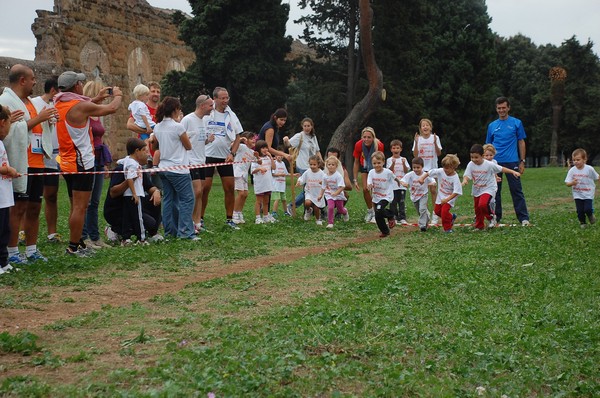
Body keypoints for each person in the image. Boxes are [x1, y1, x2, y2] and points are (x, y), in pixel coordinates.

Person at [55, 71, 121, 256]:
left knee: (75, 205)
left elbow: (83, 106)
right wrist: (118, 95)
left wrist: (97, 98)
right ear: (76, 85)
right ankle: (73, 247)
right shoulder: (78, 106)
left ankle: (78, 242)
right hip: (81, 162)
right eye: (80, 83)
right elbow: (112, 109)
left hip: (67, 161)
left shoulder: (60, 102)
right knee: (80, 206)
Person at [2, 65, 57, 265]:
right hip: (20, 163)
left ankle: (32, 250)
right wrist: (38, 119)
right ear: (22, 80)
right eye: (32, 78)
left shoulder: (30, 102)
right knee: (18, 208)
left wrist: (48, 121)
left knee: (35, 206)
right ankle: (12, 250)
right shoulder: (6, 101)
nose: (36, 82)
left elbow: (31, 125)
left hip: (37, 160)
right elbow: (8, 131)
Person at [153, 96, 196, 240]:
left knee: (169, 200)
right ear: (175, 110)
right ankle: (185, 232)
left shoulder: (157, 126)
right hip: (178, 168)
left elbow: (156, 145)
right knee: (187, 199)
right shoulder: (178, 127)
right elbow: (188, 145)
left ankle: (170, 231)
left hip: (164, 167)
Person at [202, 87, 243, 230]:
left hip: (225, 157)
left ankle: (229, 219)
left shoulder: (231, 115)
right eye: (222, 98)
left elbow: (238, 137)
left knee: (229, 188)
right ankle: (199, 219)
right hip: (207, 155)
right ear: (215, 99)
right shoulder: (207, 113)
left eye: (227, 98)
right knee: (204, 188)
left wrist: (232, 153)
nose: (225, 101)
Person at [485, 96, 530, 226]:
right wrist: (486, 163)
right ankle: (495, 217)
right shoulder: (492, 126)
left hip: (512, 162)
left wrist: (522, 161)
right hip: (495, 163)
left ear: (508, 108)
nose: (502, 110)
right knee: (494, 191)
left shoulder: (517, 123)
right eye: (499, 108)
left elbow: (521, 142)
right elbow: (488, 146)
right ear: (496, 109)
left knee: (516, 190)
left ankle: (523, 218)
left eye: (504, 108)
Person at [80, 81, 112, 250]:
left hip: (98, 159)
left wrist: (105, 163)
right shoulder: (83, 113)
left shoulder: (97, 115)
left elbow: (101, 137)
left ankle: (95, 236)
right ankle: (83, 237)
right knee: (85, 200)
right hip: (87, 159)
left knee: (95, 201)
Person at [31, 77, 62, 243]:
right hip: (35, 154)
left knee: (51, 195)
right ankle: (23, 232)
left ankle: (52, 233)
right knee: (28, 196)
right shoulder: (33, 103)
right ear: (53, 91)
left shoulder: (60, 105)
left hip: (53, 155)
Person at [462, 144, 521, 230]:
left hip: (489, 188)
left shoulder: (489, 164)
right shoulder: (471, 164)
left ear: (482, 156)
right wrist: (465, 180)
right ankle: (479, 226)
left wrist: (513, 172)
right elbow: (467, 175)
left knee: (482, 204)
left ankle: (491, 217)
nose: (474, 159)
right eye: (472, 157)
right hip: (477, 189)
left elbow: (501, 169)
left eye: (476, 157)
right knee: (478, 209)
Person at [104, 159, 163, 244]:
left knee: (153, 198)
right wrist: (130, 180)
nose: (148, 155)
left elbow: (149, 186)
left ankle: (153, 233)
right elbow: (113, 193)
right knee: (147, 222)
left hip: (136, 205)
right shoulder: (121, 169)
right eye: (145, 151)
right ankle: (115, 230)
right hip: (118, 209)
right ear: (137, 151)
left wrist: (156, 191)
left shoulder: (139, 168)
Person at [181, 94, 215, 233]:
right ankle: (189, 221)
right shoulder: (188, 120)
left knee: (200, 192)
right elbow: (180, 137)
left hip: (202, 160)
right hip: (191, 161)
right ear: (202, 106)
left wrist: (208, 140)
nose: (212, 108)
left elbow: (199, 140)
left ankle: (197, 222)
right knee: (197, 191)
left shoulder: (204, 121)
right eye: (210, 105)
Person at [283, 118, 323, 214]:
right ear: (302, 126)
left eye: (308, 126)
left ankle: (310, 209)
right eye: (305, 126)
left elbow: (317, 151)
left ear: (312, 126)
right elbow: (288, 144)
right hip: (303, 165)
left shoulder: (313, 137)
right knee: (308, 188)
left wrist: (321, 161)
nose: (307, 128)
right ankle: (292, 205)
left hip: (314, 165)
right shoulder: (299, 136)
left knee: (315, 187)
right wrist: (285, 140)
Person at [417, 154, 462, 233]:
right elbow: (429, 172)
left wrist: (447, 200)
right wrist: (422, 178)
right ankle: (451, 217)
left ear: (454, 167)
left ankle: (447, 229)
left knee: (444, 212)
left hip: (449, 198)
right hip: (441, 196)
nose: (445, 170)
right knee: (437, 211)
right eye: (444, 167)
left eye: (447, 168)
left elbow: (456, 192)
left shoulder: (455, 177)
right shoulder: (441, 171)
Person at [116, 138, 149, 244]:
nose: (145, 153)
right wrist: (134, 193)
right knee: (138, 217)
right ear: (136, 151)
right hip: (134, 193)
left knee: (127, 216)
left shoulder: (127, 160)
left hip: (127, 194)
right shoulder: (133, 164)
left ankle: (126, 238)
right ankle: (142, 238)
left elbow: (119, 161)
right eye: (144, 150)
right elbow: (130, 178)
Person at [0, 105, 20, 274]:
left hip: (4, 197)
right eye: (9, 124)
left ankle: (3, 262)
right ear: (2, 123)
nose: (8, 130)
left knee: (5, 230)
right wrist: (9, 170)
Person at [412, 118, 442, 224]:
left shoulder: (435, 137)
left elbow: (439, 153)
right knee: (421, 193)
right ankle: (425, 215)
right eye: (423, 125)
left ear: (430, 127)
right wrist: (415, 143)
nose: (425, 127)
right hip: (421, 170)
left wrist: (434, 143)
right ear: (420, 128)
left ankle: (435, 215)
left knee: (433, 190)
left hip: (433, 168)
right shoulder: (418, 139)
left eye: (427, 125)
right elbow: (415, 155)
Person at [353, 126, 384, 223]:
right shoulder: (358, 145)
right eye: (364, 137)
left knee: (375, 189)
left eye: (369, 137)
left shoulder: (378, 145)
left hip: (376, 167)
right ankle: (370, 210)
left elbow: (381, 160)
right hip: (365, 166)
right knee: (366, 189)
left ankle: (376, 213)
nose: (366, 139)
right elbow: (356, 161)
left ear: (373, 137)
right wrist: (355, 179)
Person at [367, 151, 401, 237]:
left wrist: (400, 182)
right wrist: (369, 185)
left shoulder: (387, 172)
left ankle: (390, 215)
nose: (377, 165)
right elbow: (369, 182)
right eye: (374, 163)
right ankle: (385, 231)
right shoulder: (371, 172)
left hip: (386, 196)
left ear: (383, 162)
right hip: (376, 196)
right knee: (378, 215)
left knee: (379, 209)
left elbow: (395, 178)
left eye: (379, 163)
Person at [565, 148, 598, 228]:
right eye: (574, 160)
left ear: (584, 159)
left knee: (587, 209)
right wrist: (572, 183)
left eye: (578, 159)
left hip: (588, 193)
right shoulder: (572, 170)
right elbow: (567, 183)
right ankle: (583, 223)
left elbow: (597, 177)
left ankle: (590, 215)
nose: (576, 162)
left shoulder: (589, 169)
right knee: (580, 211)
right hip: (577, 194)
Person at [400, 157, 435, 232]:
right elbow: (402, 180)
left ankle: (422, 226)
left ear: (422, 167)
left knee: (422, 209)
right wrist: (404, 183)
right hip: (414, 196)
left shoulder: (425, 174)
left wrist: (431, 184)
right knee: (420, 211)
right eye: (414, 167)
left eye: (418, 167)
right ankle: (427, 217)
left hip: (423, 194)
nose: (416, 169)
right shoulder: (410, 175)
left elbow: (433, 181)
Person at [318, 156, 349, 228]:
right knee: (330, 207)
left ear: (336, 166)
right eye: (329, 164)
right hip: (329, 194)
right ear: (326, 165)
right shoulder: (325, 176)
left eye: (333, 165)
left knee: (340, 209)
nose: (331, 166)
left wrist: (336, 193)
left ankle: (345, 212)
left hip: (338, 195)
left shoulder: (338, 176)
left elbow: (342, 186)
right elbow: (323, 186)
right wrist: (320, 195)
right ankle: (330, 223)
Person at [232, 132, 256, 224]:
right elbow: (232, 145)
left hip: (244, 175)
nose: (253, 140)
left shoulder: (253, 152)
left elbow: (259, 162)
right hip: (238, 173)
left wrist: (258, 157)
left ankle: (239, 212)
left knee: (245, 194)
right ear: (246, 141)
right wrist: (240, 139)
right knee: (241, 193)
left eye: (254, 138)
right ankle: (234, 214)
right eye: (251, 138)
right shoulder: (242, 147)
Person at [251, 140, 276, 224]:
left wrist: (271, 157)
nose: (265, 149)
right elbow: (252, 171)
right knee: (259, 201)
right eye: (263, 148)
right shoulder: (256, 159)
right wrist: (259, 168)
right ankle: (258, 217)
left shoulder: (268, 158)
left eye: (266, 148)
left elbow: (274, 167)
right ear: (258, 149)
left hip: (268, 183)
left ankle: (265, 216)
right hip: (260, 183)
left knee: (266, 201)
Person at [296, 155, 325, 225]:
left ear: (318, 164)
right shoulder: (307, 172)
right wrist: (299, 182)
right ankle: (308, 210)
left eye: (314, 164)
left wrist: (323, 183)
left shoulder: (322, 174)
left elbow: (326, 182)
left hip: (318, 193)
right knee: (307, 203)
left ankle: (318, 219)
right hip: (309, 192)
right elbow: (302, 178)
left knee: (316, 207)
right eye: (311, 164)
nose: (312, 166)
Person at [386, 139, 410, 225]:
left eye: (397, 148)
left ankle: (402, 217)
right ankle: (394, 217)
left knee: (402, 202)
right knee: (393, 202)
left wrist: (403, 163)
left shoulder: (404, 159)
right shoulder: (389, 160)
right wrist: (393, 163)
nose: (396, 150)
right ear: (391, 149)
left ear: (401, 149)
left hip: (402, 185)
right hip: (393, 185)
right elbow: (389, 171)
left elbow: (406, 170)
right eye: (394, 148)